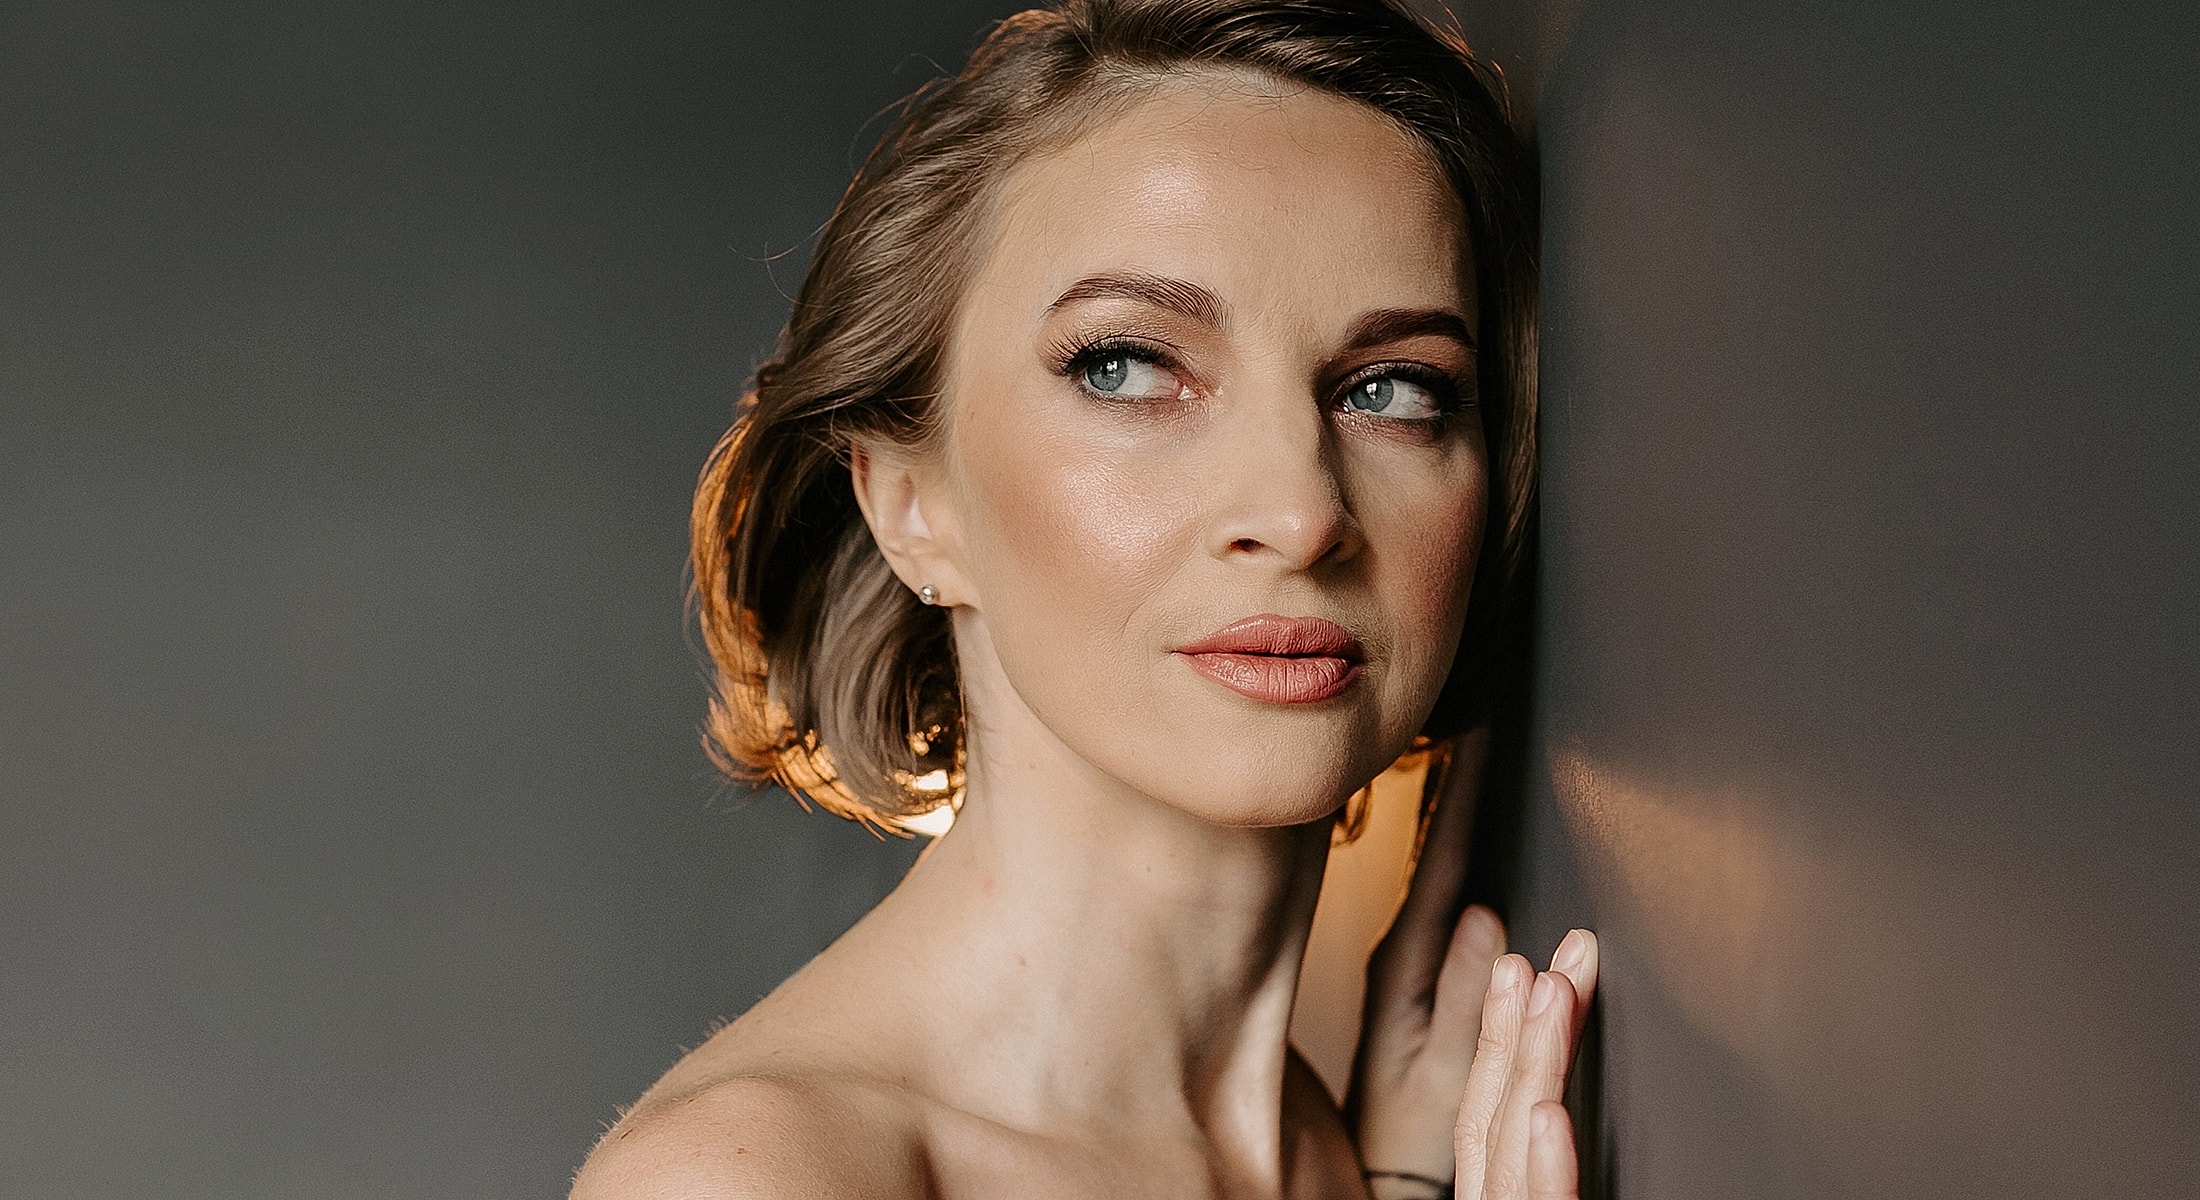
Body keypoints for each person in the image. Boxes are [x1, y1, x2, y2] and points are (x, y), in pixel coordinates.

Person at [572, 1, 1597, 1195]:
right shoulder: (756, 1177)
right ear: (911, 502)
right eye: (1127, 366)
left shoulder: (1340, 1164)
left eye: (1393, 388)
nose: (1303, 507)